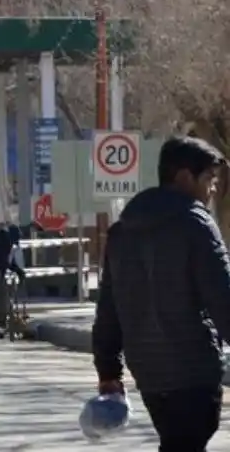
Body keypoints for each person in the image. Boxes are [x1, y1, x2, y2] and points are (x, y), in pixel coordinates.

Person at [93, 135, 230, 451]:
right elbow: (222, 298)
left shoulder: (122, 231)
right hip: (195, 372)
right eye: (209, 179)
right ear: (184, 176)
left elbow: (109, 310)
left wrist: (108, 371)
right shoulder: (196, 224)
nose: (212, 189)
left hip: (149, 375)